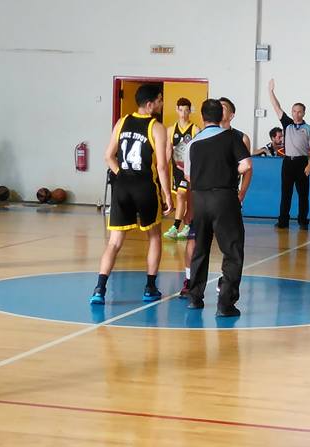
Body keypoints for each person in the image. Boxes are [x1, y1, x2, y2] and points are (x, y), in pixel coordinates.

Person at [91, 84, 173, 305]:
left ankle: (99, 289)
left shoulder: (122, 122)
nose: (162, 103)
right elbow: (162, 166)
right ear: (150, 104)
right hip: (145, 186)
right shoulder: (157, 128)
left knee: (114, 242)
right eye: (160, 100)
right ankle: (150, 287)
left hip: (122, 187)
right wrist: (167, 194)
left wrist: (122, 174)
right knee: (154, 236)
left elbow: (108, 156)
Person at [184, 98, 252, 317]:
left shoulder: (193, 142)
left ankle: (194, 298)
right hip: (224, 198)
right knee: (232, 250)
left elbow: (188, 175)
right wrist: (227, 169)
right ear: (221, 116)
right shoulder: (231, 137)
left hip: (199, 199)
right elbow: (246, 165)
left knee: (200, 248)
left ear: (202, 117)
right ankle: (225, 304)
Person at [268, 79, 310, 229]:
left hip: (302, 163)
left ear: (304, 113)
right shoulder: (287, 124)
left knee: (303, 194)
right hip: (288, 162)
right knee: (286, 193)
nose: (296, 113)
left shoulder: (309, 129)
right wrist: (271, 91)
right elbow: (277, 107)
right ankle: (283, 221)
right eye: (294, 111)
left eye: (299, 111)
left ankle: (303, 220)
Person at [163, 97, 200, 240]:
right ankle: (188, 225)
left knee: (181, 195)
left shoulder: (195, 129)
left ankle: (175, 226)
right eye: (181, 110)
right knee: (185, 198)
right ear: (177, 110)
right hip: (176, 170)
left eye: (186, 110)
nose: (183, 113)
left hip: (189, 170)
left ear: (190, 111)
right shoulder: (171, 130)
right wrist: (164, 167)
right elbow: (168, 151)